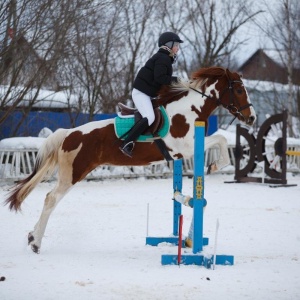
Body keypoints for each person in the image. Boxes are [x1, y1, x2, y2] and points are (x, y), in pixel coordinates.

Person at [119, 31, 184, 158]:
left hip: (148, 93)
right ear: (168, 45)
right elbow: (160, 78)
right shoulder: (163, 58)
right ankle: (127, 143)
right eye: (176, 45)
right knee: (150, 117)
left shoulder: (165, 58)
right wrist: (177, 81)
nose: (178, 48)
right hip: (141, 93)